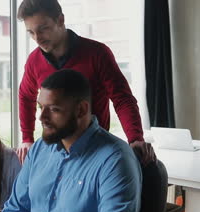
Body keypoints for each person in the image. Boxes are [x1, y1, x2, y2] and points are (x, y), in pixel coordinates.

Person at [0, 69, 142, 212]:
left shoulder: (115, 159)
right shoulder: (39, 148)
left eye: (53, 109)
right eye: (41, 107)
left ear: (81, 110)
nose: (42, 117)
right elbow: (15, 209)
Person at [15, 0, 155, 166]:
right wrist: (27, 138)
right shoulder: (34, 61)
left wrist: (135, 138)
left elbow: (122, 98)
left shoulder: (97, 54)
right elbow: (25, 96)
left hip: (96, 151)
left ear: (60, 20)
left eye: (43, 29)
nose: (37, 38)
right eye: (31, 32)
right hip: (55, 152)